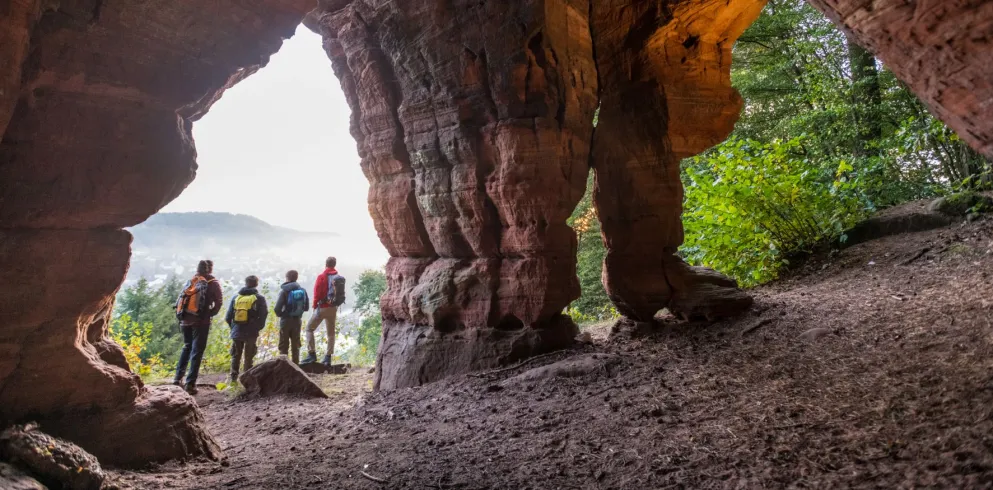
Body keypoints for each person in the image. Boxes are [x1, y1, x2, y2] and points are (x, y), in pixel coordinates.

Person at [173, 259, 223, 395]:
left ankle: (177, 379)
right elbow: (219, 302)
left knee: (187, 347)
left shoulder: (191, 281)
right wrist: (210, 314)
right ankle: (190, 384)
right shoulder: (213, 283)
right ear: (210, 269)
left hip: (184, 320)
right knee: (197, 351)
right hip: (201, 322)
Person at [224, 275, 268, 384]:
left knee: (236, 355)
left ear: (245, 283)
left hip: (237, 331)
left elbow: (228, 317)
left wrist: (233, 327)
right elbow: (263, 314)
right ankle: (247, 380)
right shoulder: (259, 298)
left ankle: (233, 380)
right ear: (256, 284)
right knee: (249, 356)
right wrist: (258, 327)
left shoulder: (236, 298)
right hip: (251, 331)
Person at [303, 256, 346, 365]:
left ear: (326, 264)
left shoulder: (321, 277)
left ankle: (311, 354)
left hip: (322, 307)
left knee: (309, 329)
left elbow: (317, 293)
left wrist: (314, 306)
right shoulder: (338, 277)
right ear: (334, 265)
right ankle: (328, 358)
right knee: (331, 333)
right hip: (333, 308)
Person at [273, 270, 309, 364]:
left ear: (287, 278)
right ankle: (296, 367)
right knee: (295, 346)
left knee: (283, 346)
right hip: (297, 321)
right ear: (297, 278)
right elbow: (306, 308)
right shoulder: (302, 290)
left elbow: (277, 309)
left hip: (285, 321)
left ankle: (283, 367)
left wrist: (282, 315)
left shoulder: (284, 291)